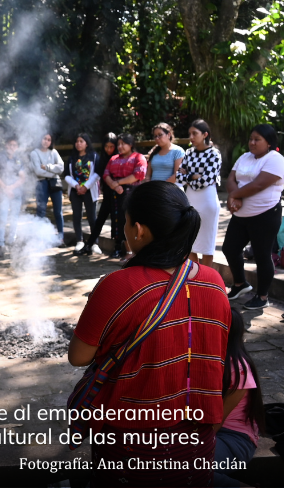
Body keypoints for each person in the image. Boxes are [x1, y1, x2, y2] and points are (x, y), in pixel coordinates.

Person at [68, 182, 231, 487]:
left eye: (126, 222)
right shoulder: (214, 282)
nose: (126, 229)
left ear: (139, 230)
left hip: (131, 447)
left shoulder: (117, 285)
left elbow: (78, 356)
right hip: (197, 445)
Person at [223, 124, 284, 310]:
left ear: (269, 143)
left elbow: (258, 185)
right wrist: (234, 196)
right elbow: (230, 179)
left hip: (265, 215)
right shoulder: (244, 157)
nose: (252, 142)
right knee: (230, 248)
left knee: (262, 254)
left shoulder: (276, 159)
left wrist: (236, 196)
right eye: (251, 139)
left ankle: (262, 296)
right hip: (240, 215)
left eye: (257, 139)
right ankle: (241, 284)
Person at [213, 308, 265, 487]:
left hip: (234, 439)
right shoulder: (212, 359)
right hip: (211, 434)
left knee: (182, 469)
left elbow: (215, 423)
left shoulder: (237, 369)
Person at [176, 120, 222, 267]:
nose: (191, 136)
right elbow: (179, 176)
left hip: (207, 200)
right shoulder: (189, 152)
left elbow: (207, 180)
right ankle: (194, 276)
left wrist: (189, 176)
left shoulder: (214, 153)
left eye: (194, 133)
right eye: (190, 133)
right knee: (190, 241)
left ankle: (206, 279)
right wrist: (193, 176)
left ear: (205, 134)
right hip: (190, 199)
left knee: (207, 245)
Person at [102, 133, 147, 261]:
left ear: (131, 144)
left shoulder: (138, 157)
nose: (120, 146)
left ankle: (133, 252)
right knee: (118, 221)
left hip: (132, 193)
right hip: (116, 194)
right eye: (119, 144)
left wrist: (118, 183)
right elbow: (106, 174)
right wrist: (115, 186)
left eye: (123, 144)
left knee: (132, 220)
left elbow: (139, 174)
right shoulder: (114, 158)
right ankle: (122, 249)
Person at [65, 134, 100, 255]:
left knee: (92, 217)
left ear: (87, 143)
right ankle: (79, 240)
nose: (78, 143)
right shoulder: (72, 158)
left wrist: (86, 186)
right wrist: (77, 186)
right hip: (75, 191)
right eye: (77, 141)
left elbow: (97, 173)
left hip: (89, 191)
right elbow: (67, 175)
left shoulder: (94, 156)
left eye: (81, 141)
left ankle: (94, 242)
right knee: (76, 216)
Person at [84, 133, 118, 255]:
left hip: (119, 193)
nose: (109, 149)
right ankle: (89, 244)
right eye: (106, 146)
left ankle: (117, 248)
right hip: (107, 193)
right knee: (100, 220)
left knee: (116, 221)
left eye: (111, 146)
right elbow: (99, 174)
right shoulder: (102, 158)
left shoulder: (119, 157)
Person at [30, 133, 65, 245]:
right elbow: (38, 171)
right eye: (44, 138)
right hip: (41, 183)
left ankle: (60, 237)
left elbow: (61, 167)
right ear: (40, 139)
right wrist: (53, 173)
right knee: (41, 210)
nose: (46, 141)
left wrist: (48, 167)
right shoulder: (34, 153)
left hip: (55, 184)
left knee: (58, 212)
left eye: (49, 140)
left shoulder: (54, 152)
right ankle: (39, 239)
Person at [0, 136, 26, 256]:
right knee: (2, 218)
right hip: (3, 193)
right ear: (6, 145)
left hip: (16, 193)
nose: (12, 147)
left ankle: (11, 241)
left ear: (17, 147)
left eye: (14, 145)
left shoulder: (18, 160)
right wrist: (5, 188)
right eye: (10, 145)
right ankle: (0, 243)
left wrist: (11, 188)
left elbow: (22, 177)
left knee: (14, 218)